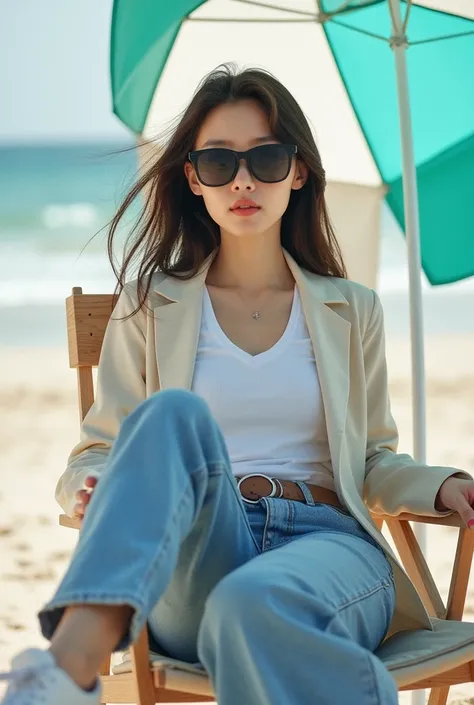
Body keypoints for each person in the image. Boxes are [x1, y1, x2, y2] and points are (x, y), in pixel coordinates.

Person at [2, 63, 474, 705]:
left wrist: (441, 485)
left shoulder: (349, 308)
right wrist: (94, 486)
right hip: (199, 555)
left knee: (254, 604)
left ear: (299, 170)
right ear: (194, 178)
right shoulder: (149, 307)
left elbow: (371, 460)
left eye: (267, 159)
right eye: (220, 163)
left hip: (327, 544)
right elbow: (99, 450)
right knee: (172, 416)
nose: (244, 180)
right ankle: (66, 670)